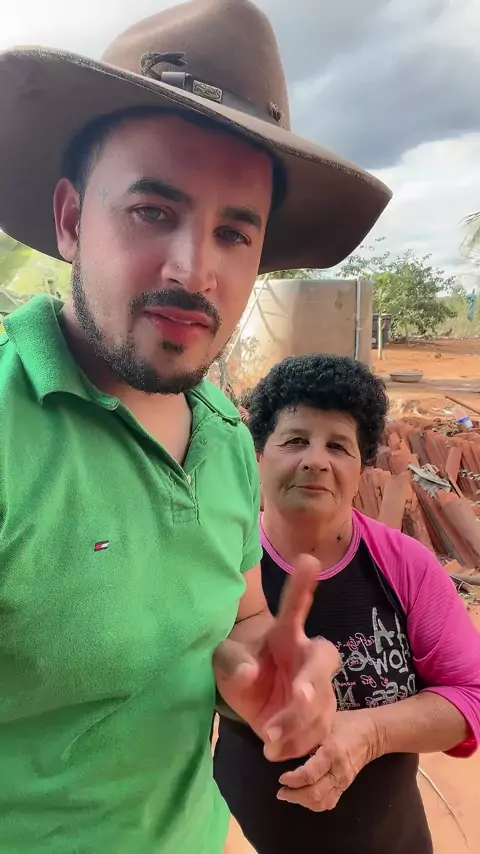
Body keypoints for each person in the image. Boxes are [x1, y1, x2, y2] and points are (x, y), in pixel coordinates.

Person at [0, 1, 393, 852]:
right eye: (152, 210)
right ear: (70, 219)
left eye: (234, 233)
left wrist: (255, 674)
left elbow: (240, 616)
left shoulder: (223, 434)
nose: (194, 269)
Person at [214, 353, 480, 854]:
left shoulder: (407, 566)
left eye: (338, 445)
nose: (316, 459)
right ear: (258, 456)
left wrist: (369, 733)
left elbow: (471, 694)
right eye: (295, 440)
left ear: (361, 469)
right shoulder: (220, 567)